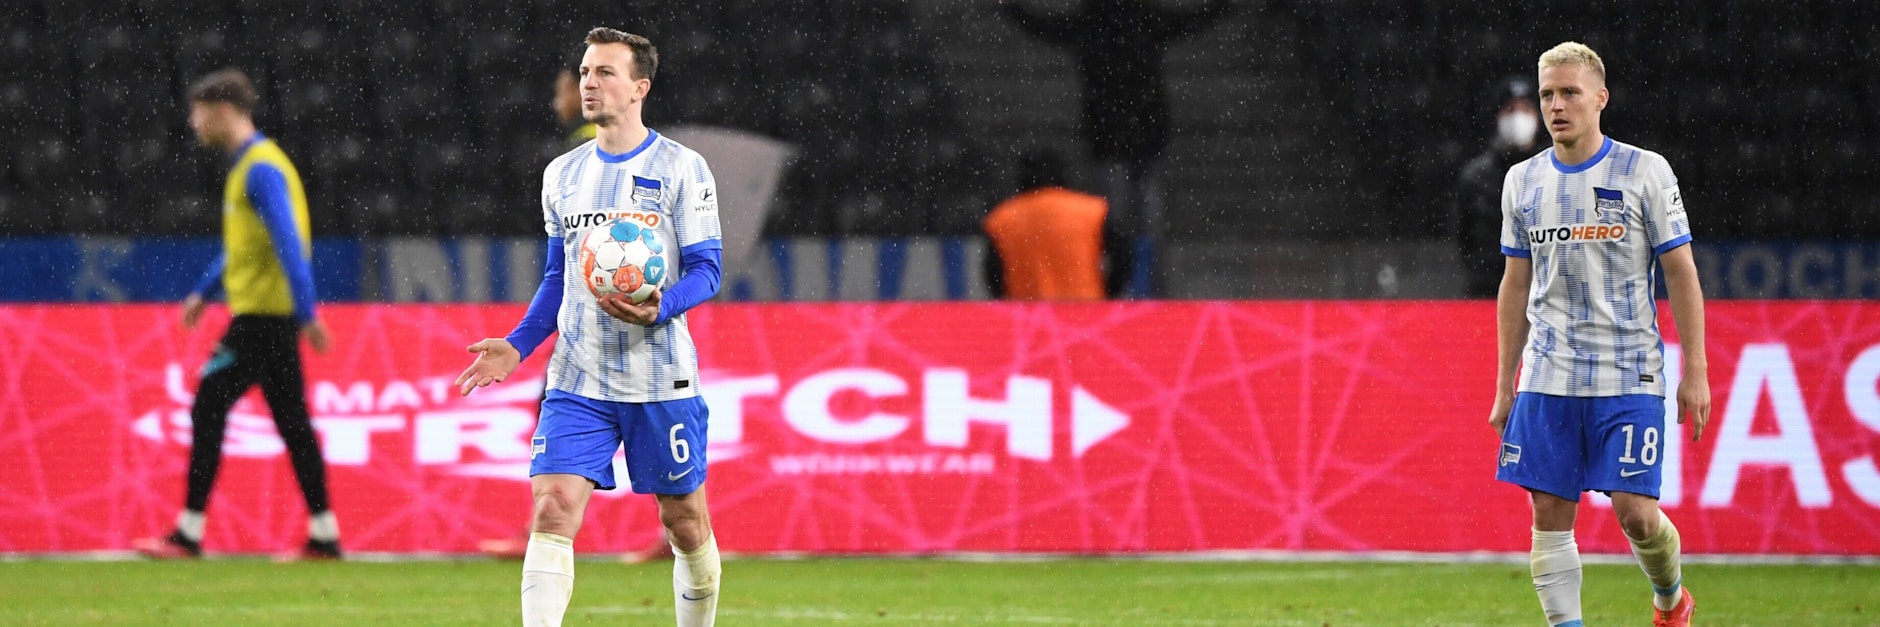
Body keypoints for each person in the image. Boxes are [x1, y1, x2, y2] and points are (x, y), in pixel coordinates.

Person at [456, 28, 724, 626]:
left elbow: (708, 271)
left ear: (639, 88)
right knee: (552, 507)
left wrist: (661, 306)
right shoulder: (562, 174)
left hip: (660, 380)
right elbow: (557, 279)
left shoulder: (682, 167)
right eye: (584, 72)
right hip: (578, 379)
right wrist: (518, 346)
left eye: (604, 72)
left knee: (684, 522)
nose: (589, 83)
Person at [1489, 42, 1709, 627]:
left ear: (1600, 98)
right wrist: (1505, 384)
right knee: (1548, 512)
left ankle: (1671, 599)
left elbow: (1681, 270)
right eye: (1547, 95)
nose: (1555, 106)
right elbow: (1515, 283)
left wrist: (1696, 372)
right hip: (1548, 372)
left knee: (1636, 513)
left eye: (1569, 93)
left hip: (1628, 370)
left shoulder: (1645, 171)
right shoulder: (1521, 181)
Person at [134, 68, 342, 561]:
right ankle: (325, 534)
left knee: (210, 404)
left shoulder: (261, 170)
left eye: (199, 113)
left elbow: (288, 242)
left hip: (262, 319)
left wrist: (307, 311)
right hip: (268, 316)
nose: (193, 123)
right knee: (292, 421)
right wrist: (204, 292)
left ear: (223, 111)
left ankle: (188, 534)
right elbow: (245, 249)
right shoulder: (252, 165)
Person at [1003, 0, 1234, 298]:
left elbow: (1045, 28)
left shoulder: (1096, 21)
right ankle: (1153, 290)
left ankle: (1127, 291)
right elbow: (1188, 23)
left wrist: (1011, 10)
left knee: (1119, 225)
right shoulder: (1138, 18)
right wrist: (1221, 8)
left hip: (1114, 136)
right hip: (1140, 135)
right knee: (1144, 224)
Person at [1452, 76, 1543, 297]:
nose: (1518, 117)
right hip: (1486, 294)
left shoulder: (1554, 172)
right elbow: (1463, 240)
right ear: (1498, 116)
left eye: (1525, 109)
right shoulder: (1476, 177)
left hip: (1543, 295)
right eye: (1510, 109)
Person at [982, 149, 1112, 300]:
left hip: (1027, 309)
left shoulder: (1003, 218)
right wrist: (1108, 294)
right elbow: (1121, 258)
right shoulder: (1092, 211)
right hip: (1085, 308)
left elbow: (993, 275)